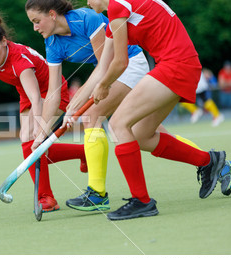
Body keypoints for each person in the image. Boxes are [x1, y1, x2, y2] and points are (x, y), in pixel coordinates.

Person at [63, 0, 231, 220]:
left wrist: (104, 85)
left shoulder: (118, 5)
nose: (87, 2)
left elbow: (120, 63)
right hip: (179, 64)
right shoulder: (112, 22)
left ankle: (141, 201)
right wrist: (73, 107)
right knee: (141, 135)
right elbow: (101, 69)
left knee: (118, 124)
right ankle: (211, 161)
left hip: (175, 65)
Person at [25, 0, 202, 212]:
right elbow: (53, 94)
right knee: (145, 135)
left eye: (37, 21)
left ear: (52, 15)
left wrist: (79, 102)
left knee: (94, 116)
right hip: (110, 71)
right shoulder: (53, 44)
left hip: (129, 64)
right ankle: (211, 161)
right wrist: (41, 133)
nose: (34, 27)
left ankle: (97, 193)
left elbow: (107, 64)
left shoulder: (86, 19)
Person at [0, 9, 87, 212]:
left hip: (52, 91)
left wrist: (40, 129)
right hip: (26, 93)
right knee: (30, 144)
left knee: (32, 140)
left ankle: (46, 198)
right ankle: (83, 152)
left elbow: (37, 99)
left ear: (4, 41)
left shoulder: (20, 62)